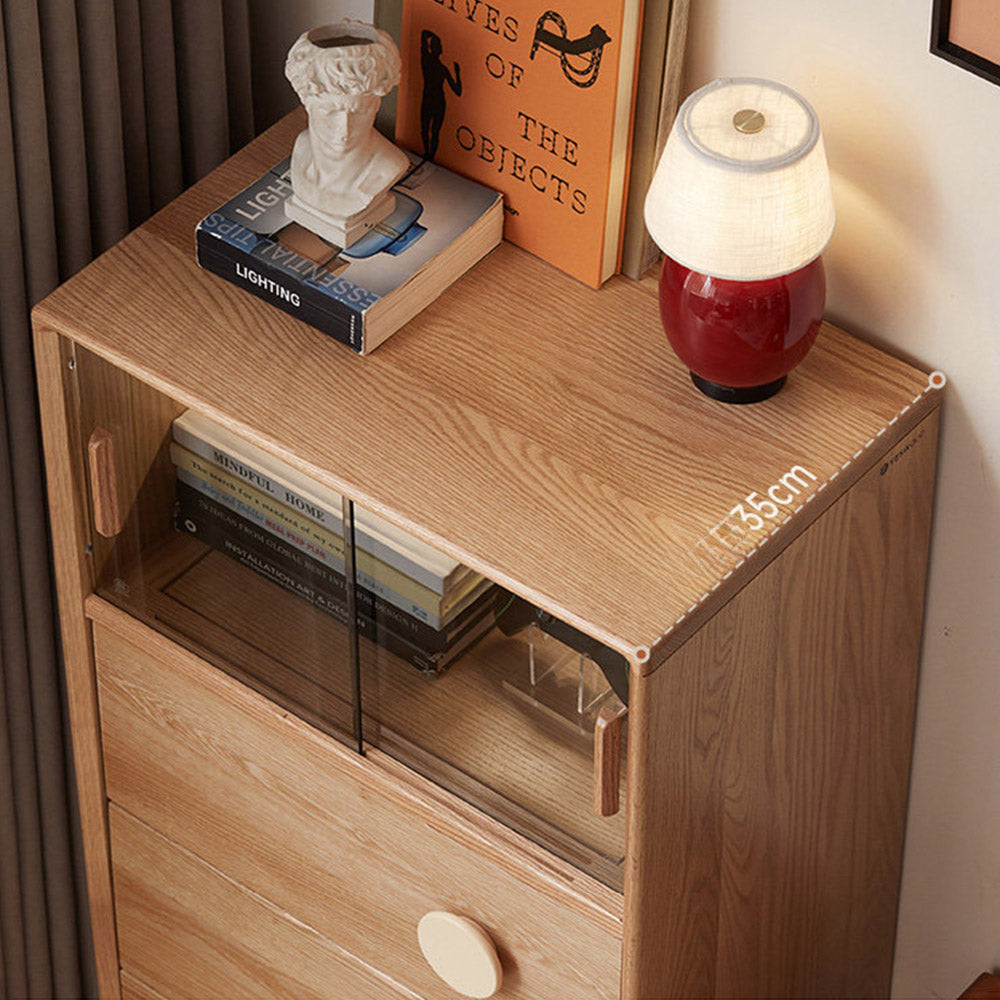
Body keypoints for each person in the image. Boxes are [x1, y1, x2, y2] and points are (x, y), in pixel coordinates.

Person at [285, 23, 410, 223]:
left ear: (376, 105)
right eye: (329, 113)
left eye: (360, 112)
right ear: (307, 102)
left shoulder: (390, 165)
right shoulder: (302, 147)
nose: (344, 130)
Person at [420, 30, 462, 162]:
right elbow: (423, 35)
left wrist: (457, 73)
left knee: (433, 131)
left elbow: (458, 91)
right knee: (426, 130)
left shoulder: (439, 67)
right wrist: (434, 35)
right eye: (438, 45)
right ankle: (428, 154)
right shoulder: (427, 61)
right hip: (431, 99)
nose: (440, 48)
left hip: (437, 101)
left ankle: (430, 156)